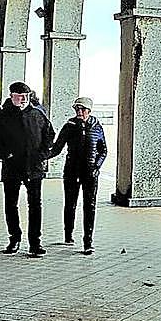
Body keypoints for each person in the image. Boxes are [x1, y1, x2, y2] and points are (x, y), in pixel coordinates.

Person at [0, 81, 55, 256]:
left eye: (25, 96)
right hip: (12, 167)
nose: (23, 99)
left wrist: (43, 154)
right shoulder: (2, 117)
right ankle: (14, 238)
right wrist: (4, 154)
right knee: (11, 204)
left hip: (34, 168)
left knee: (35, 205)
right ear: (12, 97)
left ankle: (35, 243)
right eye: (19, 96)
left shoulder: (37, 114)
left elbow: (49, 135)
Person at [46, 96, 107, 255]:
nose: (79, 112)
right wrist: (42, 156)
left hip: (90, 173)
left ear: (89, 110)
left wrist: (97, 167)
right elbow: (57, 148)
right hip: (72, 170)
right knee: (70, 203)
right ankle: (68, 234)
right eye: (77, 109)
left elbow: (103, 150)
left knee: (90, 206)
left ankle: (88, 241)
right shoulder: (70, 126)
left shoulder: (97, 127)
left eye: (83, 109)